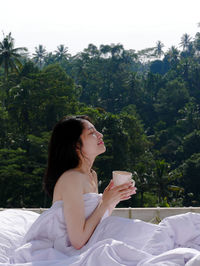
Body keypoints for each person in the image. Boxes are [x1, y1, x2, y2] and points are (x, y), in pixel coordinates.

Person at [43, 115, 137, 250]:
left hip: (85, 244)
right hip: (63, 250)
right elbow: (78, 241)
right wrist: (104, 203)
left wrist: (113, 199)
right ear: (75, 145)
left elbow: (94, 224)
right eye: (92, 133)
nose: (100, 135)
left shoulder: (91, 175)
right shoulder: (72, 179)